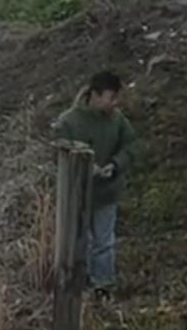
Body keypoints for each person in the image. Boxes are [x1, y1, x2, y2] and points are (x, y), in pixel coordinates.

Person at [53, 71, 140, 298]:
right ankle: (77, 287)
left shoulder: (118, 120)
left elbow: (131, 146)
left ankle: (103, 287)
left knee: (104, 242)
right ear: (96, 95)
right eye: (111, 98)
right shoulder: (68, 121)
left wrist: (115, 164)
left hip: (106, 192)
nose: (115, 103)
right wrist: (81, 166)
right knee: (79, 243)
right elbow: (56, 154)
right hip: (77, 195)